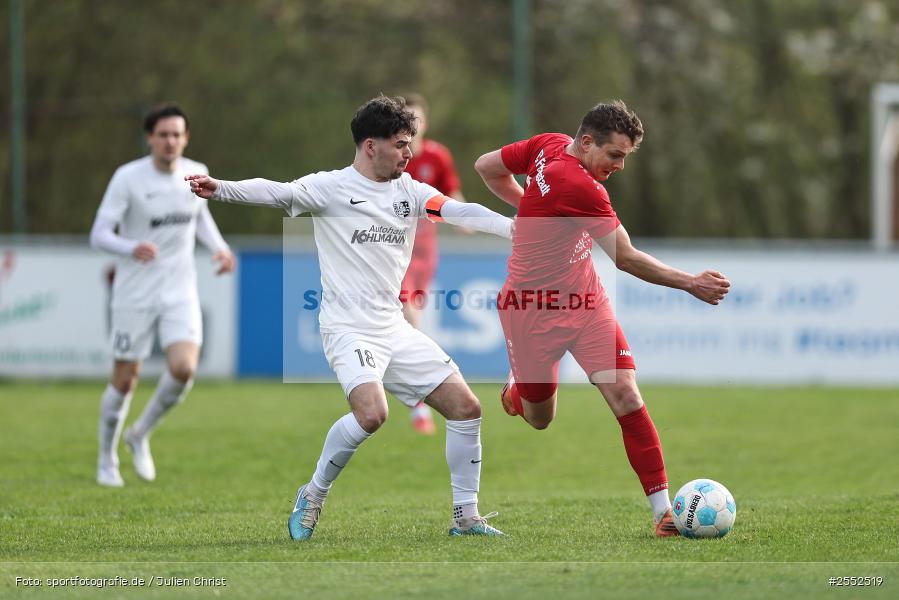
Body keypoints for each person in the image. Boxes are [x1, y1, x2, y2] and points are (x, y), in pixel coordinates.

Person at [185, 95, 511, 541]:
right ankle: (313, 495)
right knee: (372, 414)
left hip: (393, 327)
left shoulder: (411, 192)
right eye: (400, 144)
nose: (409, 153)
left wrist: (515, 227)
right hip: (347, 328)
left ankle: (466, 518)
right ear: (370, 145)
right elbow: (275, 191)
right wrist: (220, 187)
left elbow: (459, 211)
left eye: (410, 143)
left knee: (467, 408)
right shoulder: (330, 188)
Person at [474, 100, 731, 537]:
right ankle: (519, 392)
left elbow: (486, 167)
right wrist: (690, 283)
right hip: (531, 312)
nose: (620, 166)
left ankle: (663, 514)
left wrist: (532, 207)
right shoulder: (579, 185)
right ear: (588, 142)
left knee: (626, 395)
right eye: (615, 155)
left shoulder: (548, 144)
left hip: (585, 303)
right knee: (540, 419)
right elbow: (626, 258)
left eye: (626, 157)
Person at [90, 103, 236, 488]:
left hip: (179, 289)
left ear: (185, 138)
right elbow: (99, 233)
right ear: (149, 138)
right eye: (163, 134)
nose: (170, 141)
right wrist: (130, 246)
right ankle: (106, 460)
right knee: (125, 380)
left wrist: (220, 248)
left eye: (177, 134)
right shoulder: (128, 178)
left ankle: (139, 434)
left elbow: (200, 217)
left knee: (184, 368)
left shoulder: (195, 173)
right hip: (134, 292)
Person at [400, 94, 467, 435]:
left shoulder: (437, 156)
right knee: (408, 313)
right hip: (393, 247)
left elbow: (452, 192)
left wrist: (465, 216)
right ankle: (421, 401)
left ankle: (417, 397)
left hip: (425, 247)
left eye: (417, 119)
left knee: (411, 322)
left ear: (425, 123)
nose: (412, 125)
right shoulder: (391, 155)